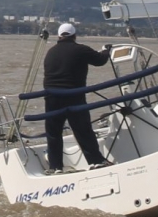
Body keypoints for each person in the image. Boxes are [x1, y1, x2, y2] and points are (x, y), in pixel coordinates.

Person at [41, 22, 111, 174]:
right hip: (73, 96)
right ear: (74, 36)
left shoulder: (50, 52)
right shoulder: (80, 49)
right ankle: (96, 161)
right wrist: (106, 50)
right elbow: (100, 60)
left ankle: (55, 167)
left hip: (52, 97)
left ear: (59, 36)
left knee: (53, 133)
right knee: (82, 129)